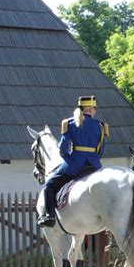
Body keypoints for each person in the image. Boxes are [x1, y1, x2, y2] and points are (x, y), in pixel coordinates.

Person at [36, 96, 109, 228]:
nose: (95, 111)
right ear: (91, 109)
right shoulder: (101, 126)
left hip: (74, 164)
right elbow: (101, 150)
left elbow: (62, 148)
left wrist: (69, 157)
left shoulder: (69, 123)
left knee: (49, 185)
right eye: (94, 109)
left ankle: (50, 217)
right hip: (94, 165)